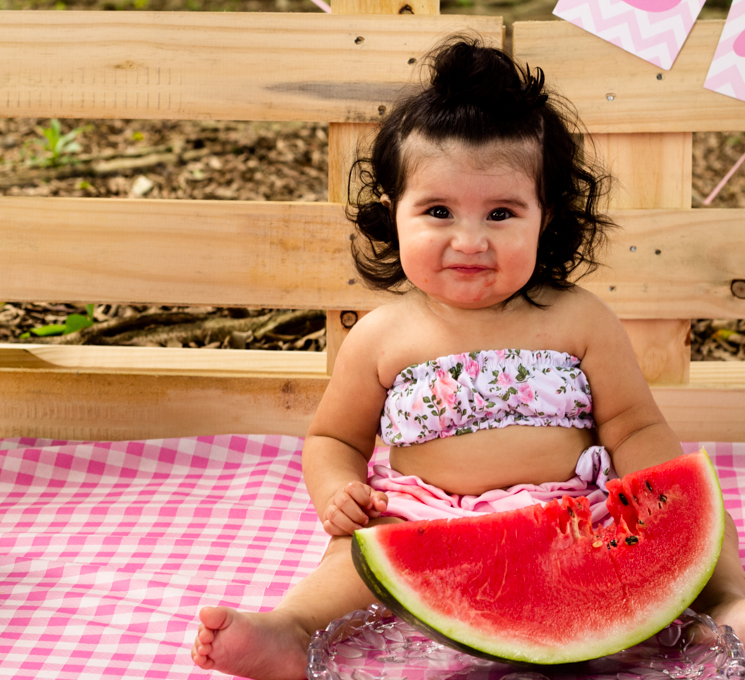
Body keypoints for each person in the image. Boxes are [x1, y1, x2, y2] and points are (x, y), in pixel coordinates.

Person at [190, 35, 745, 680]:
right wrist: (337, 490)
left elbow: (633, 424)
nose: (471, 240)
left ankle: (731, 601)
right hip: (423, 521)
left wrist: (664, 501)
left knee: (700, 515)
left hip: (571, 518)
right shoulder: (381, 336)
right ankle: (289, 629)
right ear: (393, 214)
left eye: (501, 212)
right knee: (355, 557)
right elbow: (334, 437)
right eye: (439, 211)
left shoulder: (580, 318)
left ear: (546, 218)